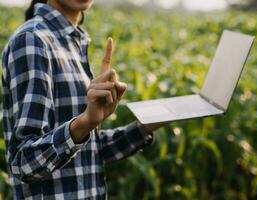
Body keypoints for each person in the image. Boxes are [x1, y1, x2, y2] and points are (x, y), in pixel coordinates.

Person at [1, 0, 163, 199]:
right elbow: (24, 162)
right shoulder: (33, 40)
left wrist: (145, 127)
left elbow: (86, 152)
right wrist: (85, 123)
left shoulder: (70, 41)